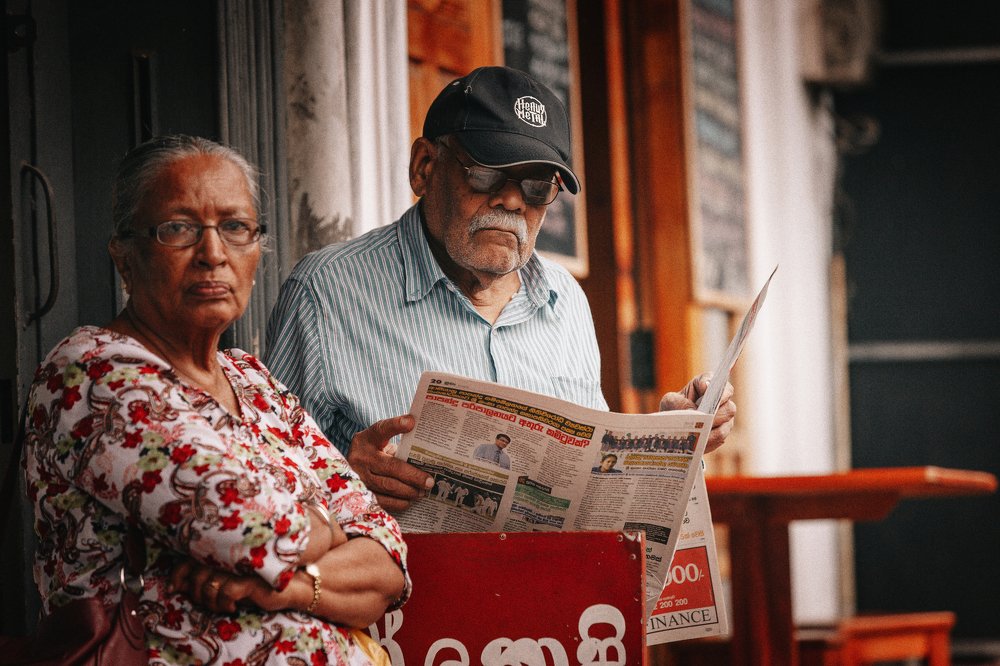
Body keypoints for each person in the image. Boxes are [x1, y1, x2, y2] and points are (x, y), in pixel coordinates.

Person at [266, 66, 736, 514]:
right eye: (487, 171)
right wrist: (342, 480)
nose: (512, 200)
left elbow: (585, 477)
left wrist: (667, 438)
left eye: (536, 186)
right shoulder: (325, 295)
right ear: (425, 167)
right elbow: (264, 482)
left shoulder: (564, 301)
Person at [22, 135, 409, 665]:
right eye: (178, 229)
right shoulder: (92, 372)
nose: (212, 253)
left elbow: (387, 559)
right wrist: (326, 523)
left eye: (235, 227)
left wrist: (292, 587)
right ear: (124, 256)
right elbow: (251, 532)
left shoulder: (254, 380)